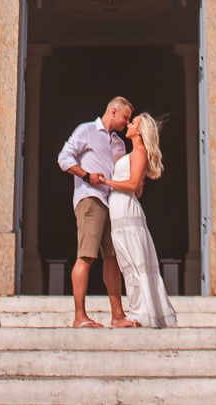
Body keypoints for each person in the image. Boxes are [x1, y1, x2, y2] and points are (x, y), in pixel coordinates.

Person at [57, 96, 138, 328]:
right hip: (90, 199)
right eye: (125, 117)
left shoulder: (120, 144)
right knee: (86, 255)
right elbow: (63, 158)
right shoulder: (86, 130)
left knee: (112, 258)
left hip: (113, 204)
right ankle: (79, 316)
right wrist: (86, 176)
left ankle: (117, 315)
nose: (127, 122)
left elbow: (121, 176)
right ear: (113, 111)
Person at [106, 111, 177, 328]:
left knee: (134, 262)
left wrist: (107, 182)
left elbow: (133, 186)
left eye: (133, 122)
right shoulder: (134, 154)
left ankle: (142, 313)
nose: (128, 124)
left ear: (139, 131)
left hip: (126, 211)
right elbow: (138, 191)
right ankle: (140, 311)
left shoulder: (138, 154)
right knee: (129, 263)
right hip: (121, 209)